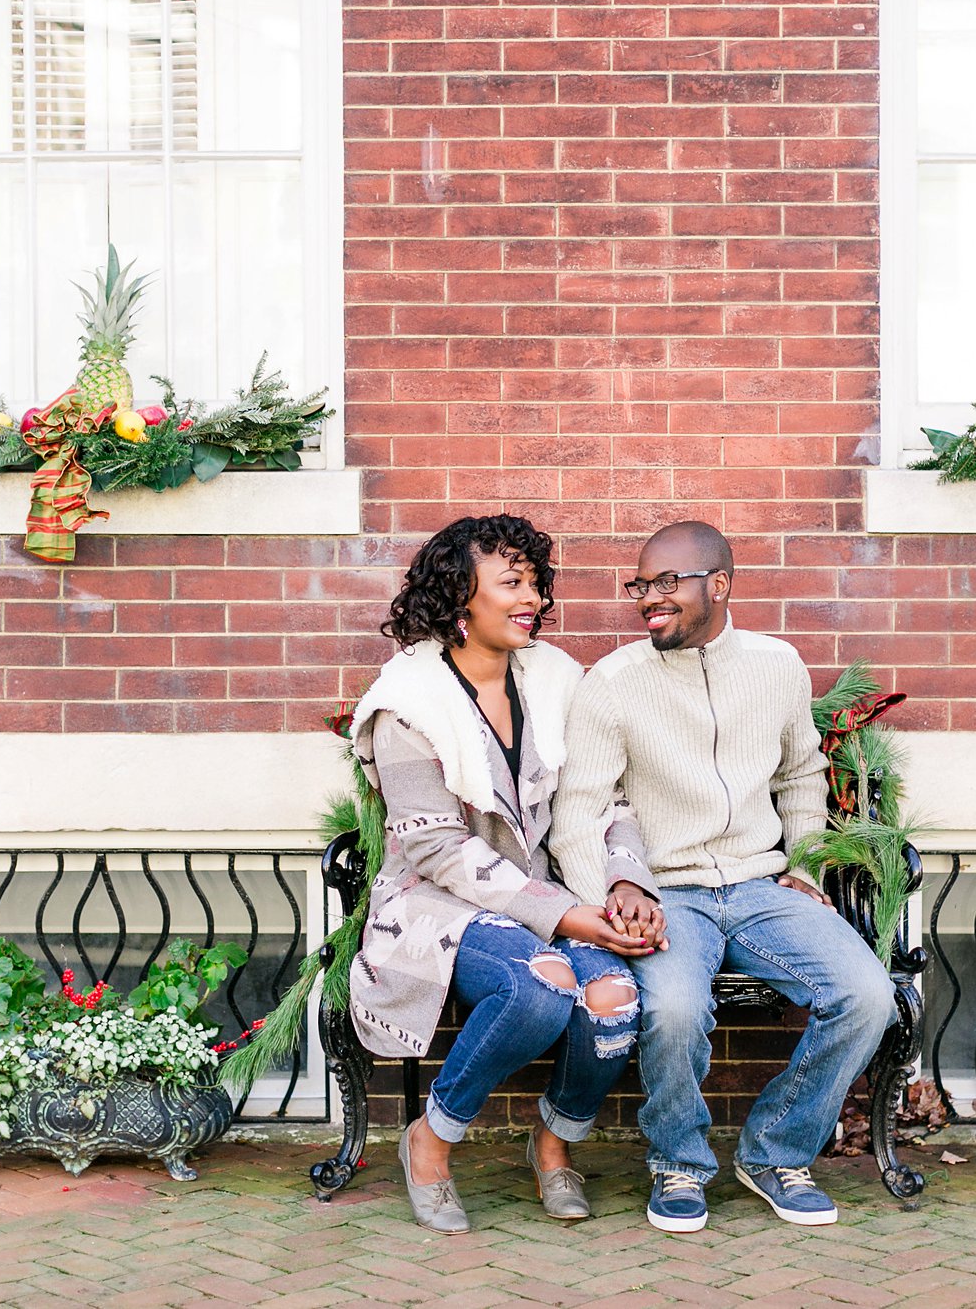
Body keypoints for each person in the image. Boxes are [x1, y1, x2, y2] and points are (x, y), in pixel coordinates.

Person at [550, 520, 895, 1233]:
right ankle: (678, 1162)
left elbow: (802, 775)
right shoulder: (613, 683)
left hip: (764, 885)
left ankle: (774, 1152)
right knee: (673, 1011)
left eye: (667, 583)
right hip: (667, 894)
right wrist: (613, 903)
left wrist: (805, 865)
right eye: (642, 586)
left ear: (721, 584)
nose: (650, 600)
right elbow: (577, 815)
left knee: (867, 994)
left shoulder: (777, 666)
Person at [345, 514, 662, 1235]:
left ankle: (553, 1145)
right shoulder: (406, 705)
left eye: (534, 584)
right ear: (461, 598)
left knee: (613, 998)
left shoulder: (556, 682)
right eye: (511, 583)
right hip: (438, 903)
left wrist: (624, 885)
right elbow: (435, 851)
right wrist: (565, 916)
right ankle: (430, 1139)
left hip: (555, 887)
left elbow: (607, 800)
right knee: (539, 986)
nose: (533, 600)